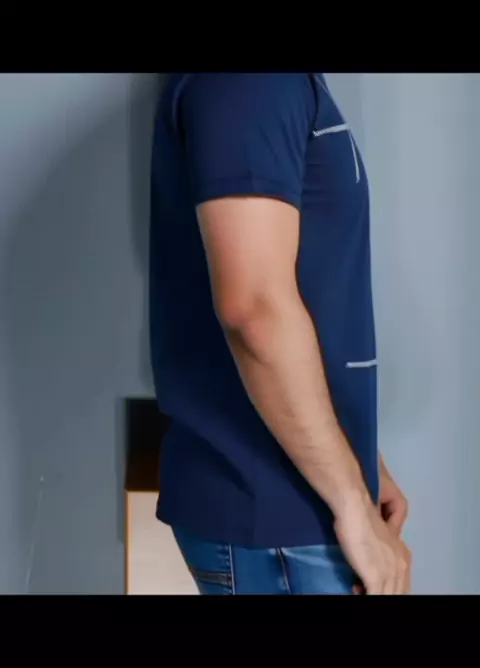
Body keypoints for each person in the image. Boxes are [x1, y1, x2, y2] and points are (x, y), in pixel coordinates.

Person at [149, 73, 412, 595]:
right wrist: (352, 505)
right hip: (280, 517)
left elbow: (306, 290)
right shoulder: (252, 83)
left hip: (298, 506)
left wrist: (360, 459)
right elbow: (255, 310)